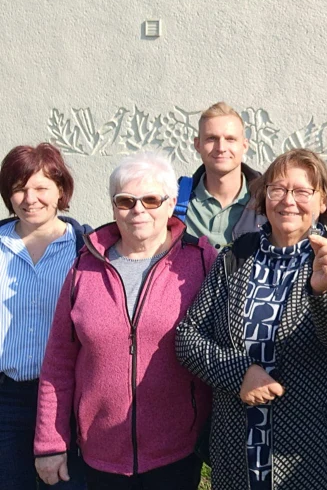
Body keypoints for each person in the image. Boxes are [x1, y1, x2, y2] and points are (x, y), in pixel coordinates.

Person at [176, 147, 327, 490]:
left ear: (323, 201)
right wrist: (240, 374)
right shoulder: (235, 257)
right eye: (278, 190)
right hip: (237, 449)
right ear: (264, 198)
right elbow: (188, 338)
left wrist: (325, 290)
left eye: (302, 191)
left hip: (310, 453)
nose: (288, 200)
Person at [34, 152, 217, 489]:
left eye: (150, 199)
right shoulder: (84, 267)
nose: (138, 210)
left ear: (171, 202)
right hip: (101, 452)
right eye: (126, 201)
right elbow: (59, 361)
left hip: (176, 450)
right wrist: (50, 443)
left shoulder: (202, 261)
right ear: (113, 205)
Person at [0, 143, 89, 490]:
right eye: (19, 188)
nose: (29, 198)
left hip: (66, 399)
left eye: (40, 187)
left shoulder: (85, 248)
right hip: (7, 400)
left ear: (61, 191)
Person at [182, 102, 266, 249]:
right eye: (211, 139)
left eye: (230, 139)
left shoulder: (267, 200)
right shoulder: (174, 199)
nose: (221, 148)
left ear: (245, 146)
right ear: (197, 144)